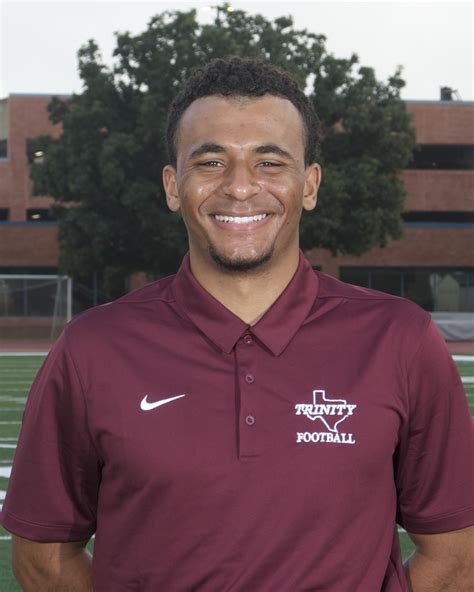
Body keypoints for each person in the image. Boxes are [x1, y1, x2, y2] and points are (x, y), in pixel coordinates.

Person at [2, 57, 473, 591]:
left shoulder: (400, 339)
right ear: (173, 186)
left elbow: (457, 555)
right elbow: (44, 557)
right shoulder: (92, 348)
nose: (241, 187)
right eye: (210, 162)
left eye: (269, 162)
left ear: (310, 184)